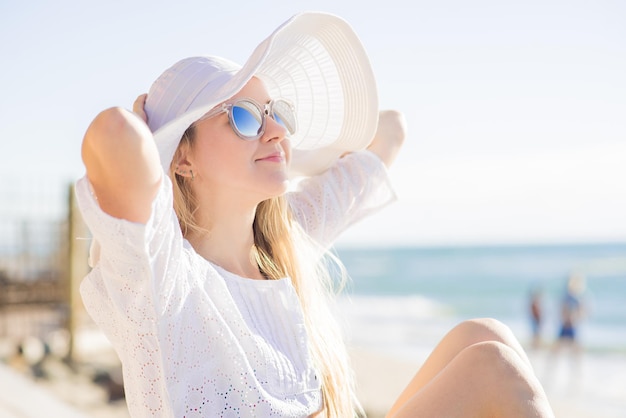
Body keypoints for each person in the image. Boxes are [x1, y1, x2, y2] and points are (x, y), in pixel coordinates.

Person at [77, 12, 554, 418]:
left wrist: (282, 155)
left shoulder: (288, 241)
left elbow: (390, 131)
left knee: (484, 335)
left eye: (276, 113)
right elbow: (115, 137)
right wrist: (153, 125)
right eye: (242, 117)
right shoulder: (162, 278)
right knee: (493, 368)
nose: (273, 131)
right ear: (181, 158)